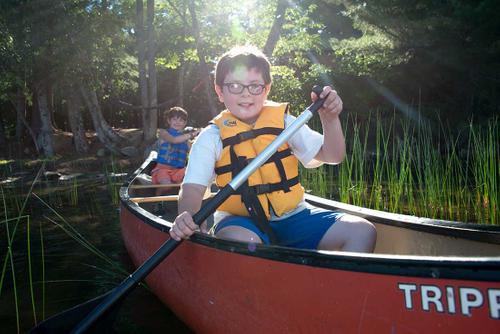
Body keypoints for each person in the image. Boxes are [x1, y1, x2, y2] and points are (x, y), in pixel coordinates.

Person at [169, 45, 376, 252]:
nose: (246, 94)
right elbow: (192, 189)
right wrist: (187, 217)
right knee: (240, 241)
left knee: (362, 231)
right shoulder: (211, 137)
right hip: (240, 221)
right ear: (220, 92)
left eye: (255, 86)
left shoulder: (286, 124)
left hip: (294, 216)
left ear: (266, 89)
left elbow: (333, 156)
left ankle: (334, 283)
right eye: (234, 86)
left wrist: (329, 119)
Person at [151, 106, 199, 196]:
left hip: (178, 170)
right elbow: (174, 140)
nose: (177, 122)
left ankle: (183, 199)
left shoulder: (186, 140)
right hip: (163, 169)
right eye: (175, 119)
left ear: (185, 123)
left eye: (181, 120)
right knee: (166, 186)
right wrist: (192, 134)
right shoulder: (163, 133)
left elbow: (195, 152)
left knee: (192, 178)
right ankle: (157, 197)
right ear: (169, 121)